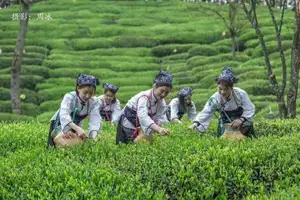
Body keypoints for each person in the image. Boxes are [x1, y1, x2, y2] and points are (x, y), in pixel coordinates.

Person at [188, 67, 255, 140]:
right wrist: (196, 123)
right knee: (225, 141)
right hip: (226, 124)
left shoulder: (240, 94)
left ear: (231, 88)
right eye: (220, 89)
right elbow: (206, 111)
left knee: (245, 140)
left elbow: (249, 109)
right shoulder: (215, 98)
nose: (222, 92)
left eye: (226, 89)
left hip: (242, 122)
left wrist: (241, 120)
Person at [116, 70, 173, 145]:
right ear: (155, 86)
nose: (163, 94)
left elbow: (160, 117)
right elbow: (143, 117)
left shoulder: (161, 102)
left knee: (148, 140)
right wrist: (158, 129)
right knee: (142, 141)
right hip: (129, 120)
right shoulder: (144, 97)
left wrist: (161, 127)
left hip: (142, 123)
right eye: (161, 91)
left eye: (166, 92)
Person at [47, 73, 102, 147]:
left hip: (76, 123)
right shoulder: (70, 97)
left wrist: (93, 135)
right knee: (57, 145)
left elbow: (95, 119)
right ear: (78, 88)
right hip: (60, 122)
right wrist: (77, 129)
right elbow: (64, 115)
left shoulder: (94, 102)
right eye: (85, 92)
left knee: (75, 144)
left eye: (91, 93)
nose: (88, 96)